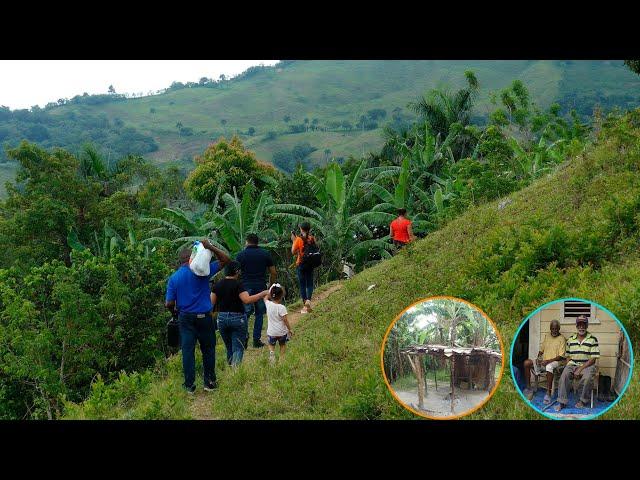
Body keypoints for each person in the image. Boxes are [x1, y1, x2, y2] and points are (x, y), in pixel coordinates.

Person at [165, 239, 230, 394]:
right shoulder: (203, 271)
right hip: (205, 317)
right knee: (208, 349)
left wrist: (174, 312)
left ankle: (189, 386)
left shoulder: (174, 278)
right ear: (192, 258)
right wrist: (209, 247)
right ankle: (209, 383)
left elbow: (169, 303)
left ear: (180, 262)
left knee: (188, 351)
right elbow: (226, 260)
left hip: (185, 318)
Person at [210, 261, 269, 366]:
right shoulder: (238, 284)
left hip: (222, 318)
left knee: (229, 347)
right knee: (238, 347)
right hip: (237, 318)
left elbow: (211, 304)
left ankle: (230, 371)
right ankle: (235, 373)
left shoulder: (217, 285)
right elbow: (246, 300)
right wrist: (263, 293)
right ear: (236, 271)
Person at [236, 233, 277, 348]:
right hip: (261, 287)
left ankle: (244, 339)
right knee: (259, 314)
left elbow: (235, 274)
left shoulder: (241, 255)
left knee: (245, 314)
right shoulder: (265, 254)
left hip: (245, 288)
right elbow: (273, 272)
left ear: (247, 242)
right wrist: (270, 286)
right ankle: (256, 340)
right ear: (257, 242)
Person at [555, 315, 600, 412]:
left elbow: (593, 359)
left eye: (584, 324)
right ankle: (562, 402)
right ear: (576, 326)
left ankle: (582, 401)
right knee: (564, 376)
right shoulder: (571, 339)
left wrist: (580, 369)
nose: (581, 327)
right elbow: (567, 355)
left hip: (587, 365)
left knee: (587, 378)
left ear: (587, 325)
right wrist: (569, 366)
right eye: (579, 324)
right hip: (573, 364)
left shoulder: (593, 339)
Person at [522, 320, 566, 404]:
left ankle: (548, 393)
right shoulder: (547, 336)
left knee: (549, 366)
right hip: (544, 361)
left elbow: (561, 356)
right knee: (527, 363)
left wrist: (548, 361)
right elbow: (541, 350)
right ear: (550, 329)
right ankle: (528, 387)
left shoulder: (562, 339)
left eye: (556, 328)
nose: (554, 330)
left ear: (559, 328)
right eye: (552, 328)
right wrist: (539, 358)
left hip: (556, 362)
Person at [291, 221, 316, 314]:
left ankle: (305, 306)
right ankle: (308, 301)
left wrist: (294, 241)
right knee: (309, 283)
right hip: (310, 263)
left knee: (302, 285)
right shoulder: (312, 238)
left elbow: (293, 251)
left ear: (301, 229)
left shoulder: (298, 239)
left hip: (301, 264)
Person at [265, 283, 292, 364]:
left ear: (271, 295)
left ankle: (272, 355)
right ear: (282, 296)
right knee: (282, 345)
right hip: (281, 332)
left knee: (271, 345)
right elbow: (285, 320)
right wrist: (290, 329)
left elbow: (265, 297)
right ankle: (281, 360)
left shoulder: (268, 304)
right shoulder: (282, 307)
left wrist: (270, 290)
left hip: (271, 332)